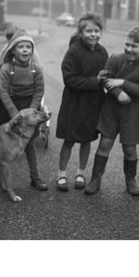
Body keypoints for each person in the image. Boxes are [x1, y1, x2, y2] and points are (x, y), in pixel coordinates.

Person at [85, 25, 139, 196]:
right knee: (105, 144)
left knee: (130, 149)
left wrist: (122, 83)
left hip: (131, 113)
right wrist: (118, 93)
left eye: (134, 46)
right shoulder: (116, 58)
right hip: (111, 109)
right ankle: (95, 179)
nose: (129, 49)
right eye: (127, 44)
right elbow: (105, 80)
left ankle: (130, 180)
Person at [0, 29, 48, 191]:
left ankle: (35, 177)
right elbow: (2, 92)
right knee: (5, 143)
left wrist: (31, 112)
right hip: (9, 109)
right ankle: (0, 178)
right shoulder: (6, 69)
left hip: (30, 108)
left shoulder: (36, 69)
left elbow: (39, 91)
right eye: (21, 47)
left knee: (29, 144)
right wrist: (16, 115)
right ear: (13, 50)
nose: (25, 50)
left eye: (28, 47)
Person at [55, 13, 108, 191]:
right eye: (89, 31)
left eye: (97, 30)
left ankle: (80, 173)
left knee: (87, 140)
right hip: (74, 104)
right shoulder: (73, 52)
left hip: (93, 104)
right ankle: (61, 174)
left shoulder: (102, 52)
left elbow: (106, 76)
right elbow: (69, 79)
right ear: (80, 32)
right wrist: (96, 81)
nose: (93, 34)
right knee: (69, 140)